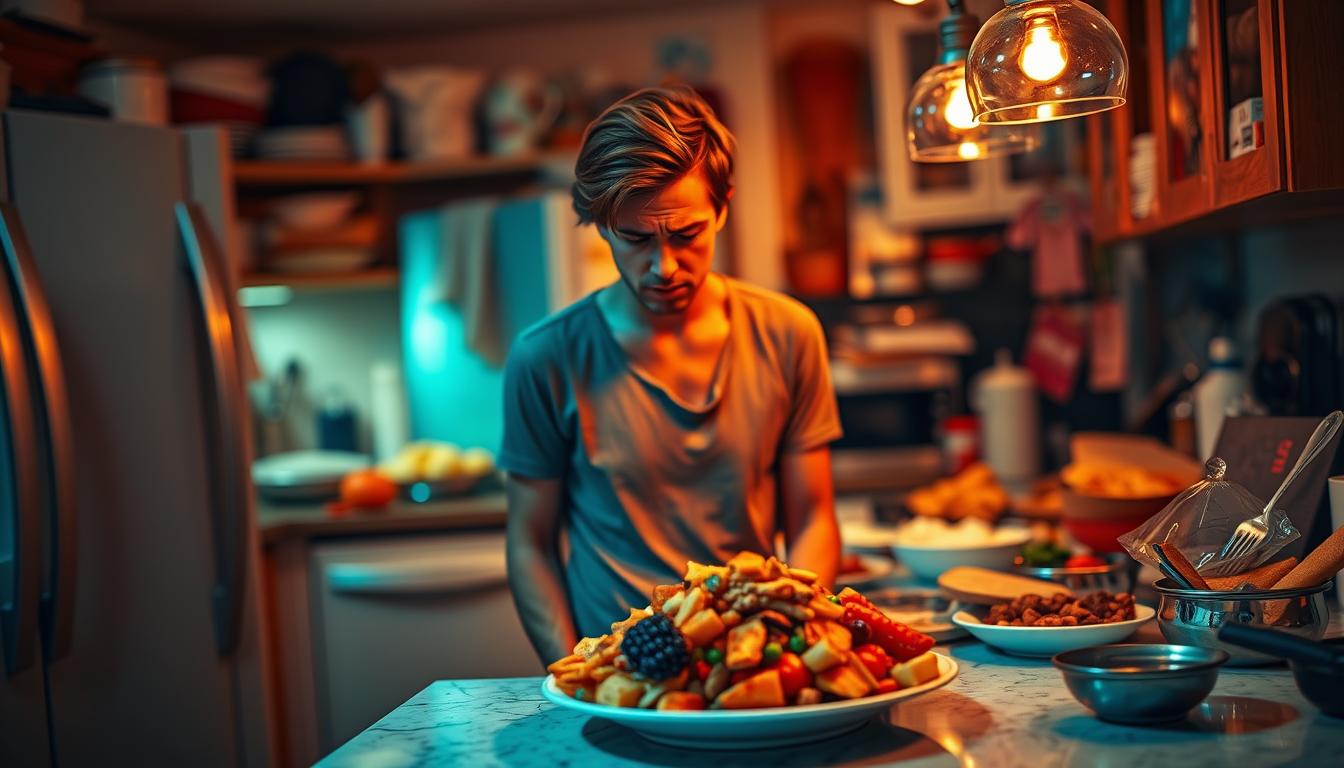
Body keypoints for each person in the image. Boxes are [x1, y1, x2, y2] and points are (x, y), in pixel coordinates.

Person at [501, 87, 842, 665]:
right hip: (614, 667)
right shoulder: (546, 358)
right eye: (636, 239)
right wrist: (570, 671)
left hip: (747, 659)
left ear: (723, 208)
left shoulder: (789, 332)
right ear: (601, 225)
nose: (664, 267)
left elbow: (812, 515)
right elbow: (530, 542)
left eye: (687, 234)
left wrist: (790, 639)